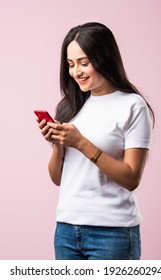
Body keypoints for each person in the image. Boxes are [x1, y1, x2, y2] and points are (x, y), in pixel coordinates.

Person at [37, 22, 154, 260]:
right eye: (70, 64)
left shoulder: (133, 106)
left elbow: (131, 178)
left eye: (84, 63)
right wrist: (58, 142)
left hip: (113, 234)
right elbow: (57, 178)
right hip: (66, 230)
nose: (76, 72)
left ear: (105, 59)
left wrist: (81, 143)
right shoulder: (69, 107)